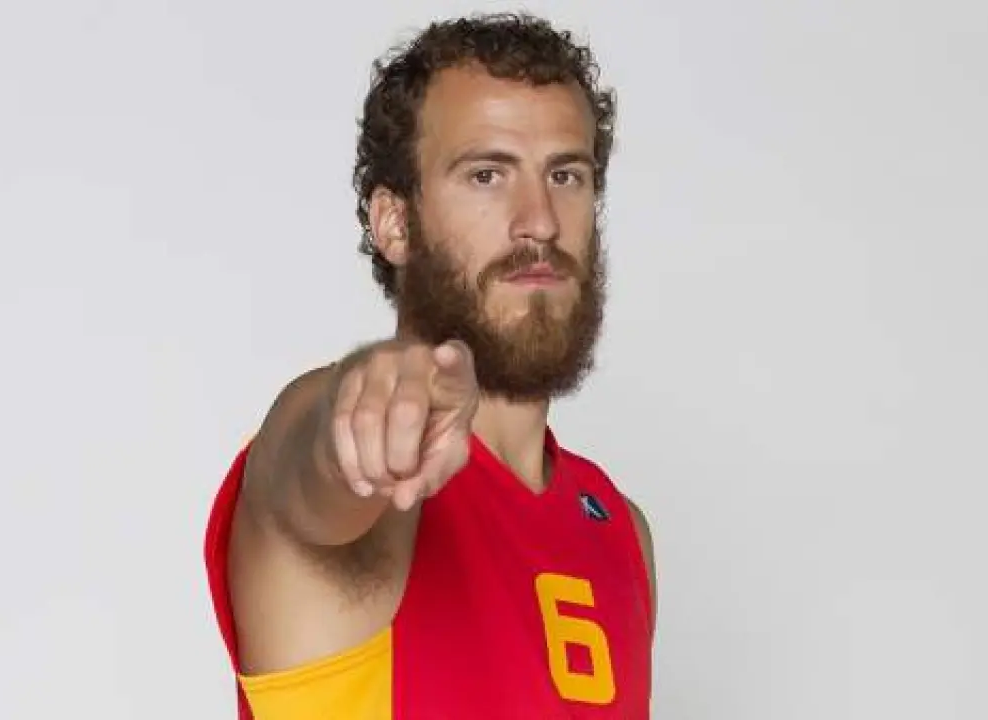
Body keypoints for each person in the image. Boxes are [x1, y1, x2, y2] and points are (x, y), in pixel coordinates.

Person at [203, 12, 657, 719]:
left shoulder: (620, 530)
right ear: (396, 223)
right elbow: (318, 466)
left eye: (566, 174)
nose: (540, 220)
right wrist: (359, 412)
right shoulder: (352, 457)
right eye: (487, 175)